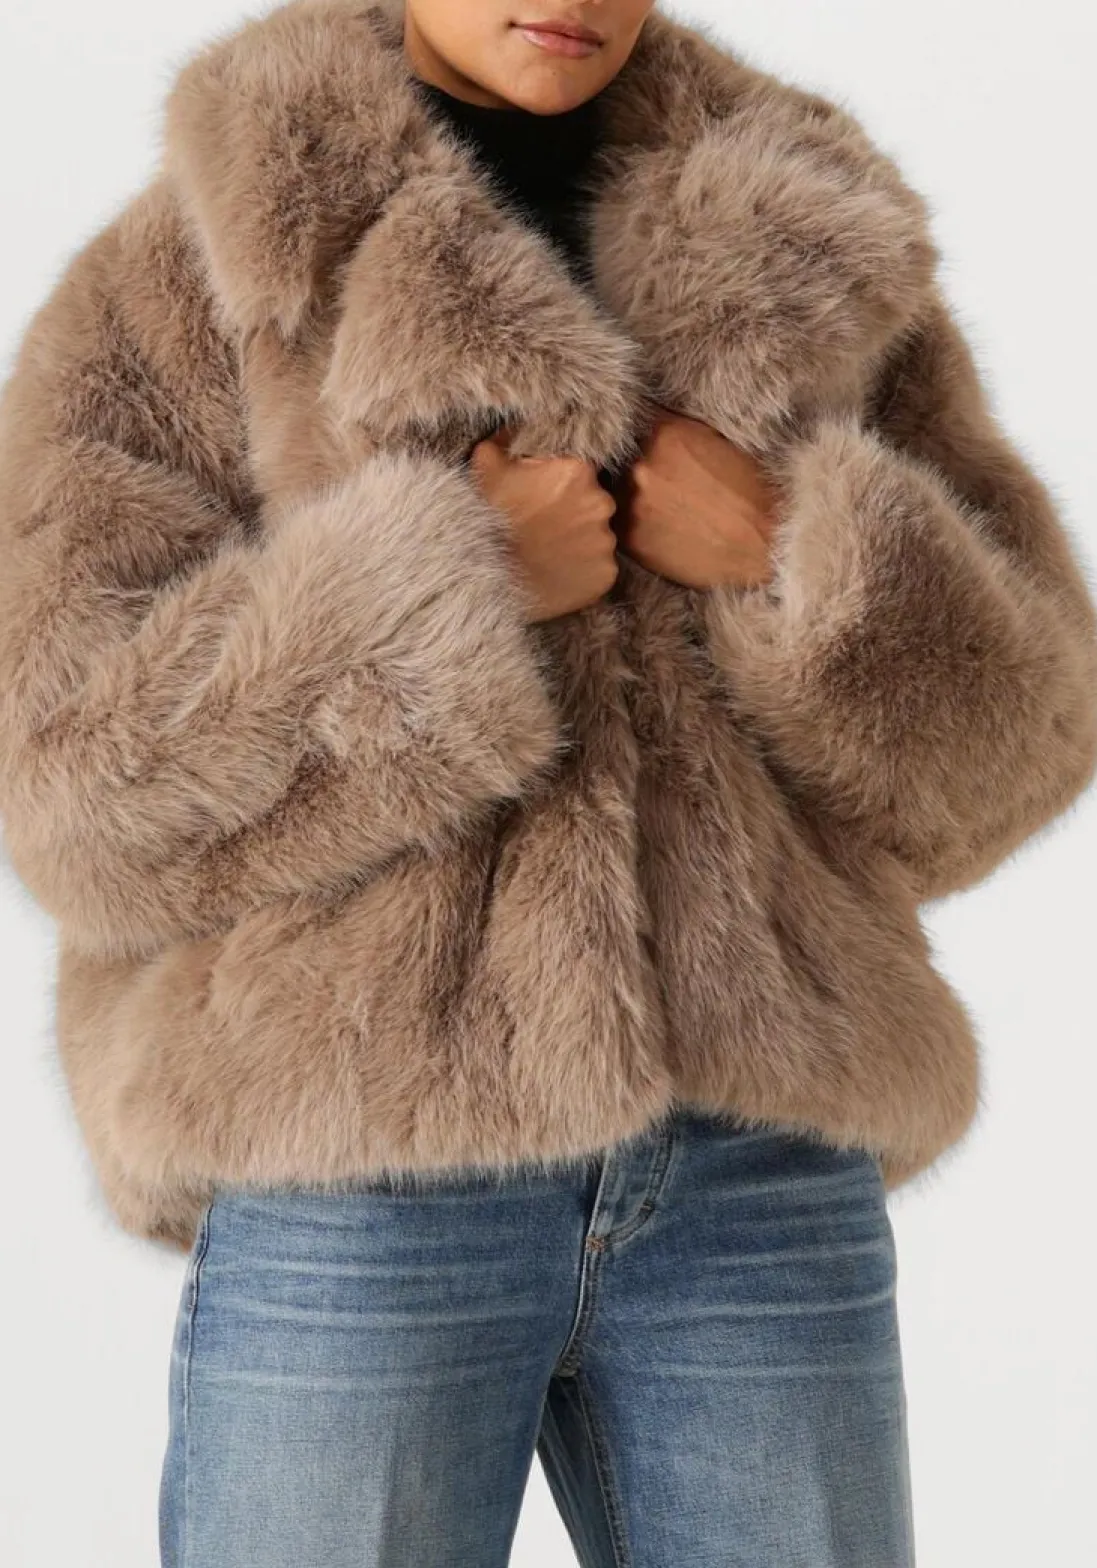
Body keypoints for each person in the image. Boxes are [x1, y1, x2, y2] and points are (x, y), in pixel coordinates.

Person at [0, 1, 1094, 1563]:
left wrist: (792, 548)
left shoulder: (810, 241)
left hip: (758, 1167)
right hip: (355, 1153)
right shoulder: (194, 271)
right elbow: (71, 790)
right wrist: (450, 586)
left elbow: (1030, 739)